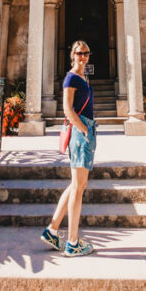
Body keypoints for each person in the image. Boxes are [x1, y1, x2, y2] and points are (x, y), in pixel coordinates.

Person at [41, 40, 97, 256]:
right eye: (79, 53)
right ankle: (73, 242)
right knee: (79, 187)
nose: (82, 56)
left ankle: (52, 230)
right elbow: (66, 108)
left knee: (75, 185)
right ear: (72, 55)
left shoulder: (83, 76)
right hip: (81, 133)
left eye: (86, 53)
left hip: (85, 130)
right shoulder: (71, 77)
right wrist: (83, 129)